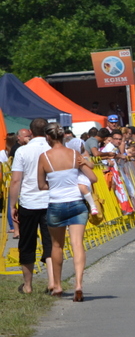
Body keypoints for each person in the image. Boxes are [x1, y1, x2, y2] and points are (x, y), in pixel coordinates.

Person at [36, 123, 98, 301]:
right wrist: (85, 163)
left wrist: (55, 184)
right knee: (77, 244)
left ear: (48, 137)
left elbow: (41, 185)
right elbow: (92, 178)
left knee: (57, 246)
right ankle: (78, 284)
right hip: (77, 203)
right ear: (63, 136)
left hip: (56, 204)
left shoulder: (44, 157)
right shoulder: (74, 154)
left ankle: (57, 285)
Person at [9, 118, 56, 294]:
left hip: (29, 201)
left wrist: (12, 205)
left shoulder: (22, 151)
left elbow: (15, 180)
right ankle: (52, 281)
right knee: (50, 242)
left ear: (30, 132)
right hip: (50, 200)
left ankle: (27, 285)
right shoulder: (52, 148)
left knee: (27, 243)